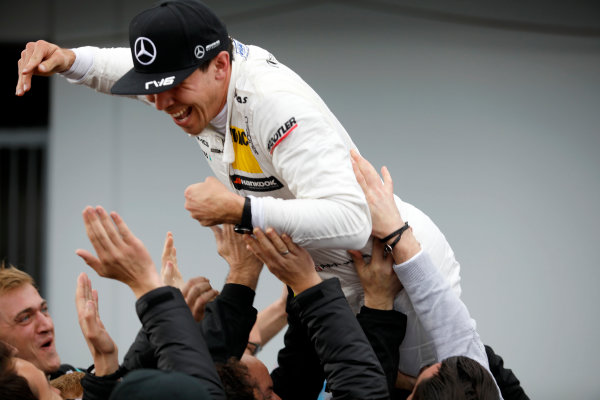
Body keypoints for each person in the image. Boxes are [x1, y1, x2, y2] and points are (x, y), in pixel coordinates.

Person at [16, 0, 461, 376]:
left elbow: (353, 217)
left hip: (396, 279)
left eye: (173, 86)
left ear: (221, 66)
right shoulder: (199, 83)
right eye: (152, 89)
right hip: (330, 287)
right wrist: (72, 60)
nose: (161, 102)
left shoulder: (273, 104)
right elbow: (132, 72)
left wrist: (243, 211)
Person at [349, 149, 503, 399]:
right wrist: (397, 232)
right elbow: (458, 337)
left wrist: (377, 303)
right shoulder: (478, 384)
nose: (425, 367)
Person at [0, 262, 80, 380]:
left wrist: (106, 359)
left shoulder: (73, 377)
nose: (47, 326)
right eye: (25, 318)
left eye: (44, 309)